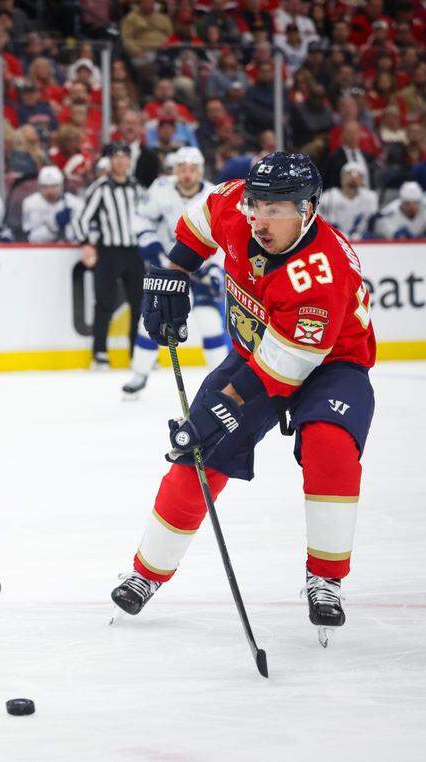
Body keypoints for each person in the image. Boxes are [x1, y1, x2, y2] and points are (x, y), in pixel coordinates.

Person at [111, 152, 376, 647]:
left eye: (278, 209)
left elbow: (288, 365)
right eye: (257, 204)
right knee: (196, 451)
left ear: (309, 208)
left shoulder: (320, 273)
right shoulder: (237, 205)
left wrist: (223, 406)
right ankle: (147, 572)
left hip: (331, 365)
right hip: (259, 349)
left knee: (330, 447)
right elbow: (201, 218)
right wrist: (176, 271)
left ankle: (326, 578)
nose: (260, 218)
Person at [124, 147, 227, 398]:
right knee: (152, 320)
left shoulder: (214, 194)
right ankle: (139, 374)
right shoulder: (160, 188)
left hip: (201, 266)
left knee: (211, 323)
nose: (187, 174)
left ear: (200, 170)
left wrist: (214, 270)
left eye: (192, 169)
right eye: (182, 168)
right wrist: (149, 242)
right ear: (175, 169)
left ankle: (223, 384)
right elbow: (141, 218)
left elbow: (224, 236)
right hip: (168, 269)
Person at [77, 142, 144, 370]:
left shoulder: (137, 188)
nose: (120, 161)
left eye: (124, 157)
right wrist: (86, 243)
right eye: (116, 157)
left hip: (134, 252)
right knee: (104, 302)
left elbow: (146, 216)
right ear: (110, 161)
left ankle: (137, 353)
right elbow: (82, 219)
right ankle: (100, 353)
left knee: (139, 304)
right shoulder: (100, 188)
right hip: (109, 251)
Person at [319, 162, 378, 240]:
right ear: (341, 177)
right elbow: (322, 224)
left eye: (358, 175)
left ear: (362, 180)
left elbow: (372, 224)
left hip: (361, 240)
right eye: (349, 174)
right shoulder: (329, 197)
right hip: (334, 239)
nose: (353, 178)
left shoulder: (370, 197)